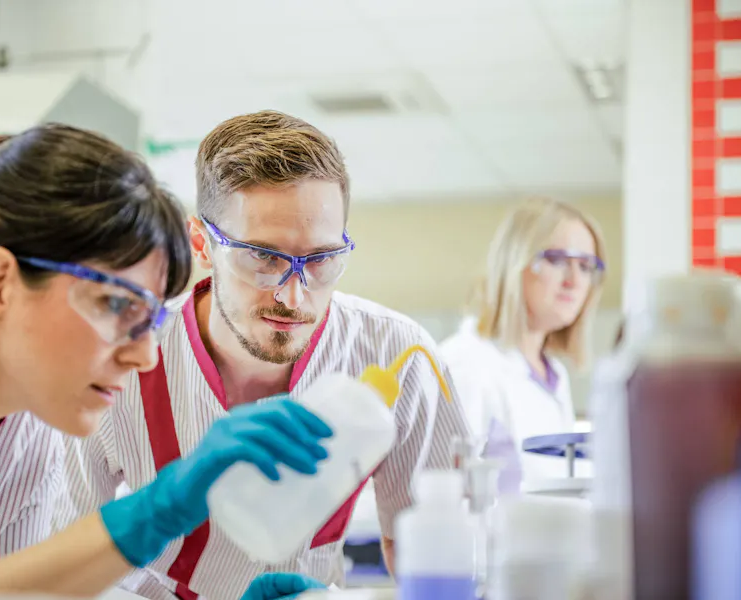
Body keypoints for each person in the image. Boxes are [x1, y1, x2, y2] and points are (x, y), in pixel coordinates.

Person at [0, 124, 332, 600]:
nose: (145, 355)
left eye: (151, 319)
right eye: (117, 306)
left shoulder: (26, 422)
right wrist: (150, 514)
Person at [57, 110, 470, 600]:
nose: (294, 297)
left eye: (321, 260)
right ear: (202, 245)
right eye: (263, 257)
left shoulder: (398, 355)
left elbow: (432, 557)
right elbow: (58, 568)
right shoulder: (120, 359)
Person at [438, 197, 606, 490]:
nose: (574, 281)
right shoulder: (466, 363)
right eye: (557, 260)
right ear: (514, 263)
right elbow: (445, 494)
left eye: (585, 266)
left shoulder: (554, 375)